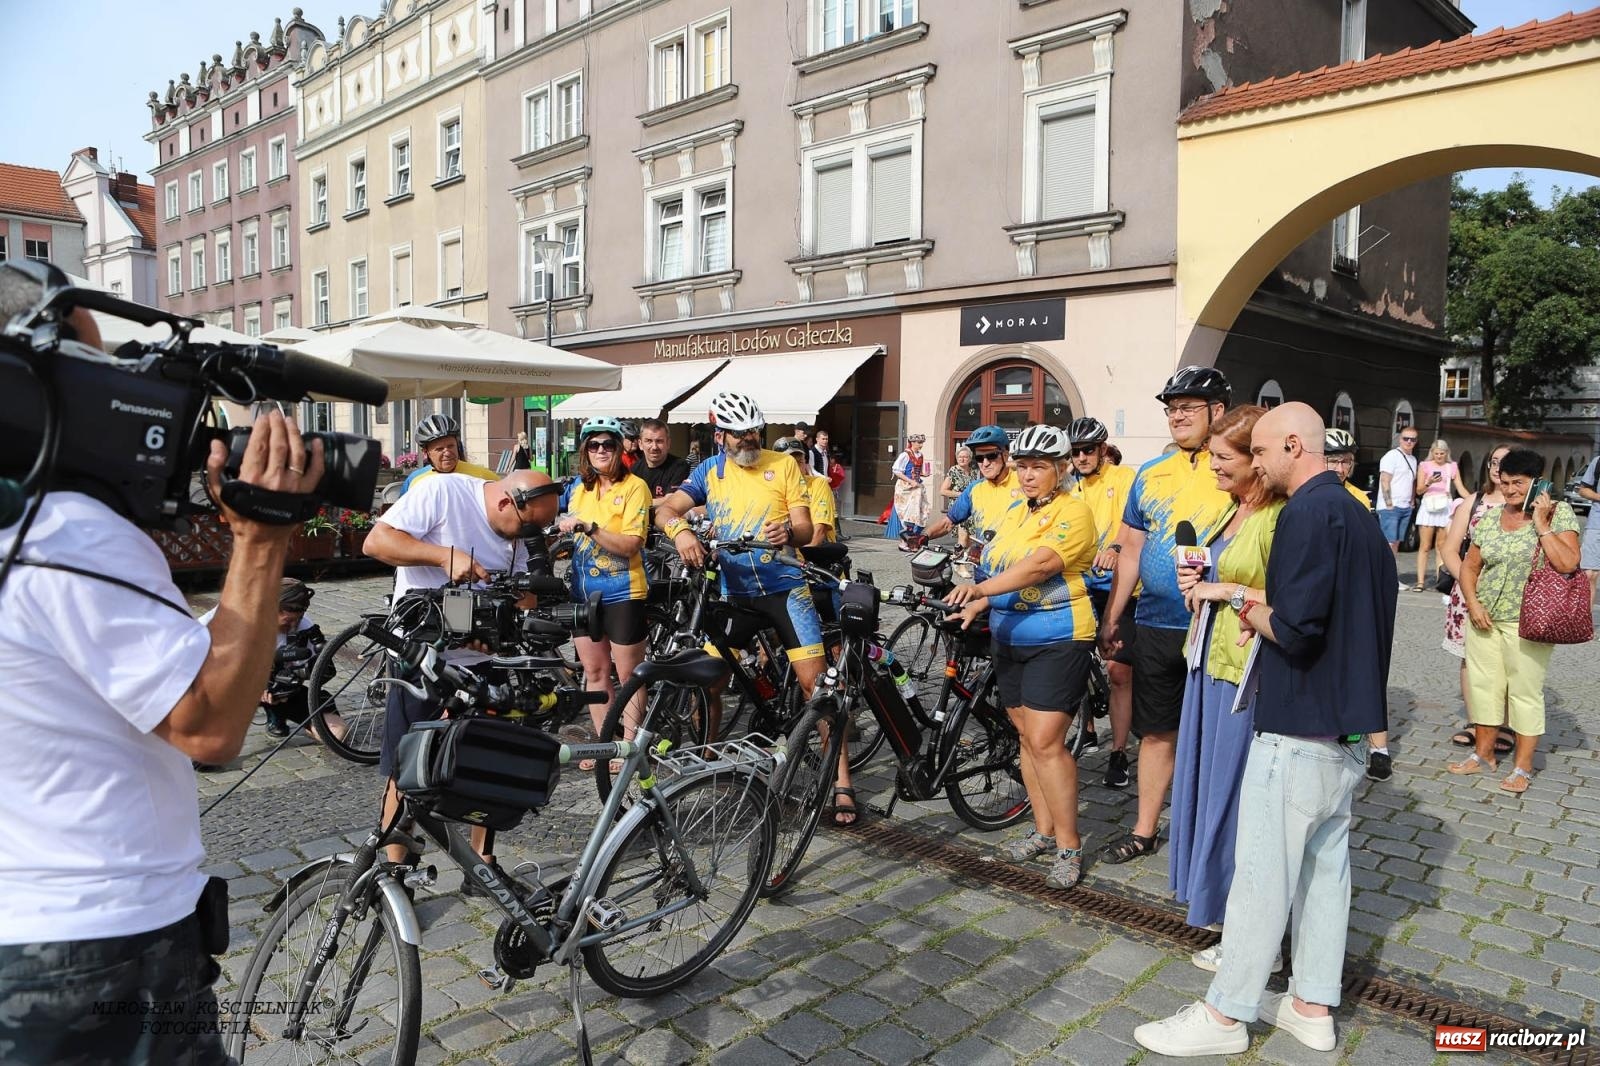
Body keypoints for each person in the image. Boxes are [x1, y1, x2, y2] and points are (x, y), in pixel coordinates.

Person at [0, 261, 327, 1063]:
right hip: (99, 944)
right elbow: (207, 723)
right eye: (88, 369)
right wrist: (260, 540)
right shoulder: (63, 535)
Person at [1134, 402, 1396, 1058]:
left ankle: (1224, 1016)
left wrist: (1248, 607)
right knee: (1324, 874)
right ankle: (1311, 1005)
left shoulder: (1306, 512)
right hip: (1349, 729)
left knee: (1261, 876)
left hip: (1298, 722)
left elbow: (1298, 630)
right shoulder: (1360, 516)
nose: (1255, 463)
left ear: (1288, 445)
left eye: (1260, 451)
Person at [653, 393, 852, 819]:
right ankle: (705, 761)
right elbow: (667, 509)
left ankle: (841, 781)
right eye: (739, 433)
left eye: (754, 432)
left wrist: (790, 533)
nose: (748, 440)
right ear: (718, 433)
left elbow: (803, 526)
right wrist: (681, 532)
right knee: (708, 681)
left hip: (785, 589)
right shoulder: (709, 470)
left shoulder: (782, 465)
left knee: (815, 687)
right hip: (735, 594)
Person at [363, 468, 561, 875]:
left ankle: (482, 864)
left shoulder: (517, 535)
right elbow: (376, 542)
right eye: (531, 525)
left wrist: (512, 607)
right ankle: (396, 865)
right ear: (508, 501)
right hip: (421, 657)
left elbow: (520, 597)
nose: (530, 536)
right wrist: (443, 555)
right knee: (407, 766)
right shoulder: (443, 491)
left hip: (482, 663)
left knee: (487, 764)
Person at [947, 425, 1098, 890]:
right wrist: (979, 602)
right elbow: (1000, 569)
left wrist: (979, 589)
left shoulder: (1076, 512)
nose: (1028, 476)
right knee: (1026, 740)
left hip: (1060, 636)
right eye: (1023, 466)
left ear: (1062, 467)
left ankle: (1069, 846)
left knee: (1047, 740)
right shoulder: (1015, 510)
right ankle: (1042, 829)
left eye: (1039, 467)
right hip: (1009, 636)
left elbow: (1040, 566)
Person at [1098, 367, 1233, 866]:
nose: (1177, 414)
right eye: (1171, 407)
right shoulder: (1150, 471)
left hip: (1217, 624)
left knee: (1215, 737)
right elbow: (1131, 548)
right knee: (1155, 732)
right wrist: (1114, 614)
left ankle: (1210, 835)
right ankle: (1144, 829)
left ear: (1218, 411)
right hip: (1155, 622)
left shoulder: (1235, 469)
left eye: (1189, 406)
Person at [1166, 405, 1284, 933]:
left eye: (1222, 457)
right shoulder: (1228, 508)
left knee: (1234, 792)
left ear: (1256, 462)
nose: (1211, 466)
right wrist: (1194, 582)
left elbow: (1293, 601)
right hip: (1206, 661)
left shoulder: (1277, 516)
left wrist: (1225, 589)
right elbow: (1213, 577)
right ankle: (1212, 903)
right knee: (1207, 782)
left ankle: (1240, 913)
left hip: (1245, 673)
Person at [1449, 447, 1581, 794]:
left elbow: (1567, 563)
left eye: (1518, 483)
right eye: (1505, 483)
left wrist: (1541, 526)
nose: (1509, 491)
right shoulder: (1492, 517)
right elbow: (1469, 567)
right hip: (1485, 619)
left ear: (1537, 482)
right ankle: (1483, 755)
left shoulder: (1559, 513)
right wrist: (1473, 604)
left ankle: (1523, 767)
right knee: (1484, 689)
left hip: (1529, 622)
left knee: (1524, 693)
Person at [556, 419, 652, 752]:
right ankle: (602, 745)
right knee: (594, 671)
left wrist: (590, 527)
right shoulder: (578, 489)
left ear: (619, 449)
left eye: (607, 445)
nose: (600, 451)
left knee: (629, 676)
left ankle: (629, 747)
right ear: (585, 451)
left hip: (624, 590)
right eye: (593, 445)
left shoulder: (635, 487)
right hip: (584, 592)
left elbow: (630, 545)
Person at [1066, 415, 1137, 789]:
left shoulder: (1124, 480)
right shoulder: (1070, 489)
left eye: (1087, 450)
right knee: (1072, 658)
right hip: (1083, 584)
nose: (1080, 457)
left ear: (1103, 450)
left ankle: (1120, 753)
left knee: (1119, 672)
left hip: (1121, 586)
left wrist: (1116, 545)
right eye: (1075, 451)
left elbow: (1136, 524)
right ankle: (1088, 729)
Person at [1323, 427, 1391, 778]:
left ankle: (1378, 743)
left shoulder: (1359, 499)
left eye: (1345, 460)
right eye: (1332, 459)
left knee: (1367, 665)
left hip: (1352, 593)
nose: (1339, 467)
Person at [1442, 445, 1513, 757]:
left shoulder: (1524, 505)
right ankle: (1476, 722)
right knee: (1470, 658)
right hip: (1468, 591)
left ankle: (1505, 724)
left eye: (1505, 463)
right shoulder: (1473, 502)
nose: (1498, 468)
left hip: (1511, 594)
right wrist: (1468, 582)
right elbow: (1449, 548)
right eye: (1493, 461)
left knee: (1509, 659)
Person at [925, 425, 1021, 565]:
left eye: (991, 456)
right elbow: (948, 523)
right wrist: (923, 536)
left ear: (1005, 456)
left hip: (1015, 571)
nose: (985, 463)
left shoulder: (1023, 484)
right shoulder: (974, 489)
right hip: (983, 568)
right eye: (980, 458)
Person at [1412, 439, 1470, 590]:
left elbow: (1460, 488)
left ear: (1446, 453)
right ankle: (1420, 582)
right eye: (1436, 453)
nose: (1439, 456)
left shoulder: (1452, 467)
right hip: (1429, 505)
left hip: (1444, 505)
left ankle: (1440, 580)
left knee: (1441, 546)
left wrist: (1473, 500)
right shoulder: (1424, 466)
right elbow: (1418, 490)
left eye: (1442, 454)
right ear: (1432, 453)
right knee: (1425, 546)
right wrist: (1429, 482)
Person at [400, 413, 500, 495]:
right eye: (439, 449)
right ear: (426, 453)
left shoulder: (482, 476)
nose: (447, 453)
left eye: (451, 446)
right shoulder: (415, 480)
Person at [1377, 428, 1420, 578]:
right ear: (1400, 439)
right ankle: (1383, 575)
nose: (1409, 442)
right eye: (1406, 438)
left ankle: (1390, 576)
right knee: (1388, 543)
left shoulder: (1413, 460)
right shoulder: (1392, 456)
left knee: (1396, 543)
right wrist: (1389, 503)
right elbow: (1385, 479)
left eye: (1412, 439)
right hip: (1391, 506)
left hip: (1405, 506)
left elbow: (1412, 482)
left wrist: (1412, 500)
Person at [635, 417, 692, 509]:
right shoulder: (634, 469)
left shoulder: (680, 466)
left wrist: (637, 503)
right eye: (649, 441)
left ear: (668, 443)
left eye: (659, 441)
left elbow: (672, 499)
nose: (654, 447)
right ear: (640, 444)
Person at [890, 433, 930, 547]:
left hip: (916, 486)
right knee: (909, 512)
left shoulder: (920, 455)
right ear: (912, 442)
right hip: (906, 487)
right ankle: (904, 541)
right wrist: (910, 481)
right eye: (918, 443)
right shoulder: (905, 455)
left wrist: (924, 474)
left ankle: (913, 538)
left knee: (923, 510)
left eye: (922, 443)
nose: (921, 445)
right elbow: (897, 471)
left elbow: (917, 471)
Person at [939, 445, 977, 550]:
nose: (962, 459)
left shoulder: (973, 471)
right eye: (960, 457)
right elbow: (943, 491)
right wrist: (960, 494)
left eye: (965, 457)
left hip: (971, 509)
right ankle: (959, 563)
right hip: (959, 508)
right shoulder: (954, 471)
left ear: (969, 458)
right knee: (963, 539)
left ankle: (963, 562)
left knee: (970, 541)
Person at [1574, 452, 1600, 599]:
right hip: (1596, 524)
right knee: (1589, 574)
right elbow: (1583, 490)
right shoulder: (1598, 462)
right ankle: (1585, 620)